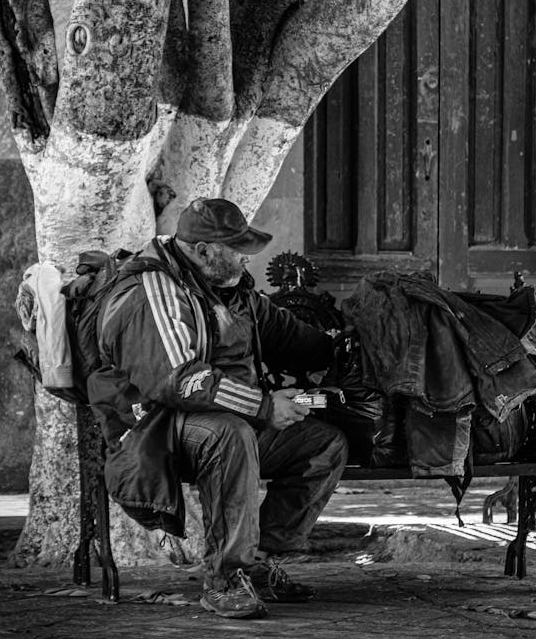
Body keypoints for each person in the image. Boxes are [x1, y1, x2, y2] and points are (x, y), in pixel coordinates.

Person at [87, 197, 348, 620]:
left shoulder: (229, 288)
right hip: (158, 428)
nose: (246, 258)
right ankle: (226, 577)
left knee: (323, 445)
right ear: (203, 250)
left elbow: (287, 333)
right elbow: (180, 380)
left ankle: (259, 562)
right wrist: (264, 406)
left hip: (226, 417)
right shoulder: (152, 289)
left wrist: (344, 343)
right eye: (236, 248)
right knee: (231, 434)